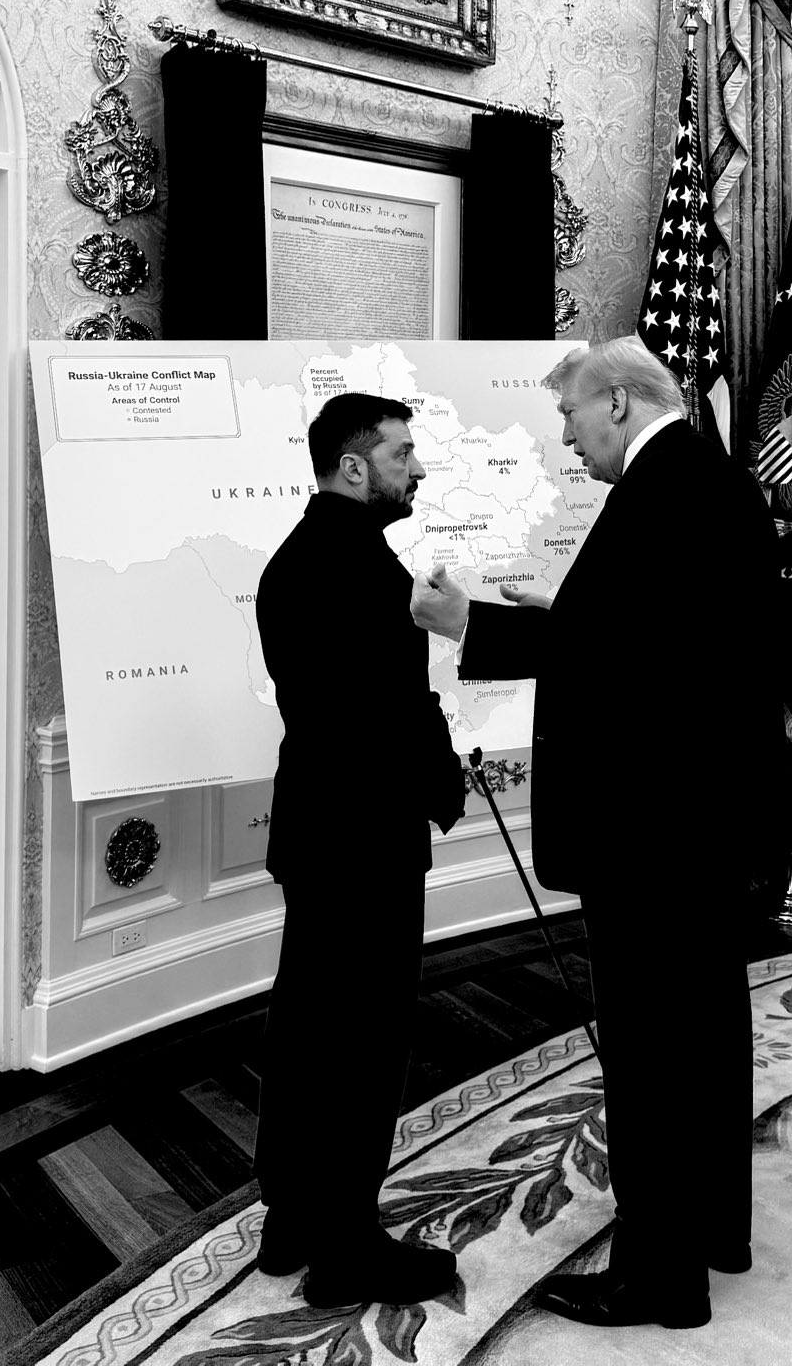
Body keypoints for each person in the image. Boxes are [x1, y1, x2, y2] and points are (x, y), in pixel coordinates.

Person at [412, 338, 790, 1331]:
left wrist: (470, 624)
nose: (565, 438)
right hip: (701, 828)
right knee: (703, 1039)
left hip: (652, 836)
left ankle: (658, 1280)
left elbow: (632, 664)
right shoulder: (707, 482)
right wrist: (565, 607)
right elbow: (659, 637)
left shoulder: (662, 491)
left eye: (571, 418)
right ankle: (711, 1231)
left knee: (654, 1055)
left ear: (618, 401)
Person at [252, 393, 468, 1307]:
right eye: (402, 452)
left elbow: (338, 709)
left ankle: (291, 1222)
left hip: (318, 831)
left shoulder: (293, 561)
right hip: (368, 838)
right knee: (362, 1043)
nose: (415, 468)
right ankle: (346, 1251)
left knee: (308, 1027)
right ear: (354, 466)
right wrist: (444, 779)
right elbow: (385, 711)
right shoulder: (364, 571)